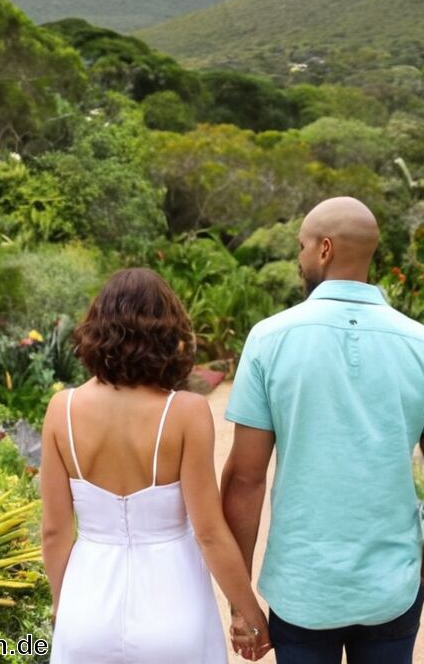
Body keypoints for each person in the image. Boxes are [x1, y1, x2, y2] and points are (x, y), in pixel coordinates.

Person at [221, 196, 424, 663]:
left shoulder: (269, 340)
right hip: (392, 589)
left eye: (301, 247)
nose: (298, 259)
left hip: (301, 589)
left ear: (324, 249)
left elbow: (245, 481)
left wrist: (242, 604)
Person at [41, 267, 272, 663]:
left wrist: (65, 606)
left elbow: (54, 531)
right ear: (167, 334)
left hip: (87, 607)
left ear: (97, 329)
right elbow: (210, 534)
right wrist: (247, 611)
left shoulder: (62, 410)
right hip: (173, 607)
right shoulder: (186, 413)